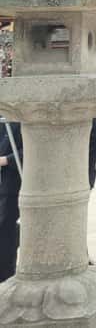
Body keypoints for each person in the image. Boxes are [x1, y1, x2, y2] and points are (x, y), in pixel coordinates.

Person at [0, 121, 22, 283]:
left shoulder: (19, 118)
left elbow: (36, 151)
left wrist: (6, 160)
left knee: (5, 229)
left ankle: (5, 277)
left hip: (12, 184)